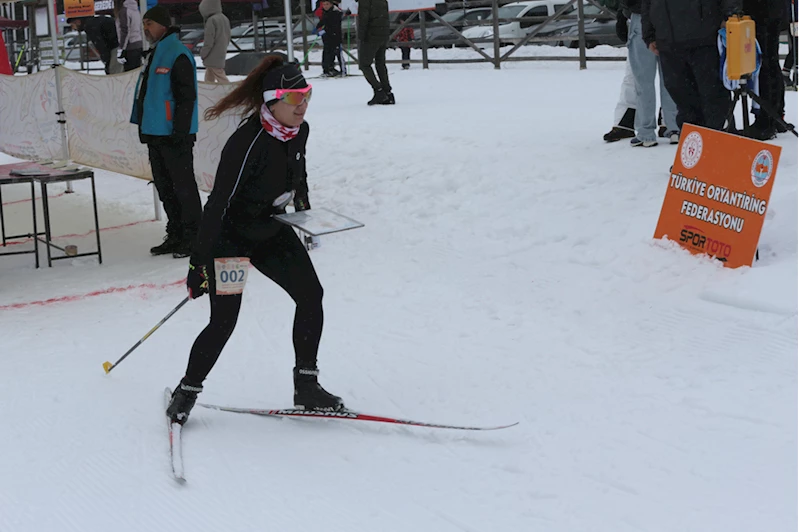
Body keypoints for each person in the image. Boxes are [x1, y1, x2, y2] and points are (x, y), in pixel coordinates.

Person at [165, 55, 344, 425]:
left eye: (307, 95)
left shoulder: (299, 130)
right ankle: (187, 392)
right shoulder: (247, 142)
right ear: (272, 100)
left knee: (311, 295)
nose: (303, 105)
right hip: (230, 243)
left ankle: (306, 386)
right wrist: (199, 263)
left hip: (272, 232)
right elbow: (217, 205)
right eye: (295, 99)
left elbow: (299, 171)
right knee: (224, 322)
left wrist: (306, 212)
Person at [131, 5, 202, 258]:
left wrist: (180, 132)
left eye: (149, 24)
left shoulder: (176, 53)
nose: (145, 29)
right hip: (157, 133)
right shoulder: (155, 53)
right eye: (144, 25)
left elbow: (187, 97)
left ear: (162, 24)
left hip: (175, 135)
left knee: (183, 187)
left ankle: (194, 237)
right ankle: (176, 233)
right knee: (165, 187)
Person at [641, 0, 742, 131]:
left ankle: (720, 141)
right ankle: (694, 142)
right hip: (668, 40)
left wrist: (729, 16)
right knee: (682, 97)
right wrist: (649, 35)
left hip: (705, 38)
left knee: (713, 97)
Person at [621, 0, 679, 147]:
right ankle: (674, 127)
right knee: (671, 77)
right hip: (669, 15)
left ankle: (646, 132)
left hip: (641, 16)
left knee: (643, 80)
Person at [742, 0, 788, 139]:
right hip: (772, 10)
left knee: (764, 64)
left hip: (760, 10)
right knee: (770, 62)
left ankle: (767, 119)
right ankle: (776, 115)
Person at [356, 0, 394, 105]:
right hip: (383, 32)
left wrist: (361, 36)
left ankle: (379, 91)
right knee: (380, 63)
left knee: (364, 64)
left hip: (371, 34)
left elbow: (363, 18)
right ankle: (388, 92)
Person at [199, 0, 231, 83]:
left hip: (212, 54)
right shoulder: (224, 18)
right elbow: (228, 36)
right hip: (221, 51)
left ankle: (229, 91)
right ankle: (209, 90)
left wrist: (203, 53)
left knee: (220, 75)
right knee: (210, 75)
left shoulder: (211, 20)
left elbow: (208, 41)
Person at [316, 0, 343, 77]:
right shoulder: (325, 12)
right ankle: (326, 69)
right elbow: (323, 22)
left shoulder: (336, 12)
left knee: (334, 53)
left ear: (331, 4)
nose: (325, 6)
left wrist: (325, 30)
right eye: (324, 4)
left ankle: (334, 69)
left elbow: (334, 25)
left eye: (327, 4)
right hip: (327, 37)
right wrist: (318, 27)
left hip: (334, 37)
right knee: (326, 53)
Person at [114, 0, 144, 71]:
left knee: (129, 73)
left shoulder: (124, 11)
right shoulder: (135, 9)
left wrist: (121, 49)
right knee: (135, 72)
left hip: (129, 46)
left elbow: (125, 31)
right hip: (138, 43)